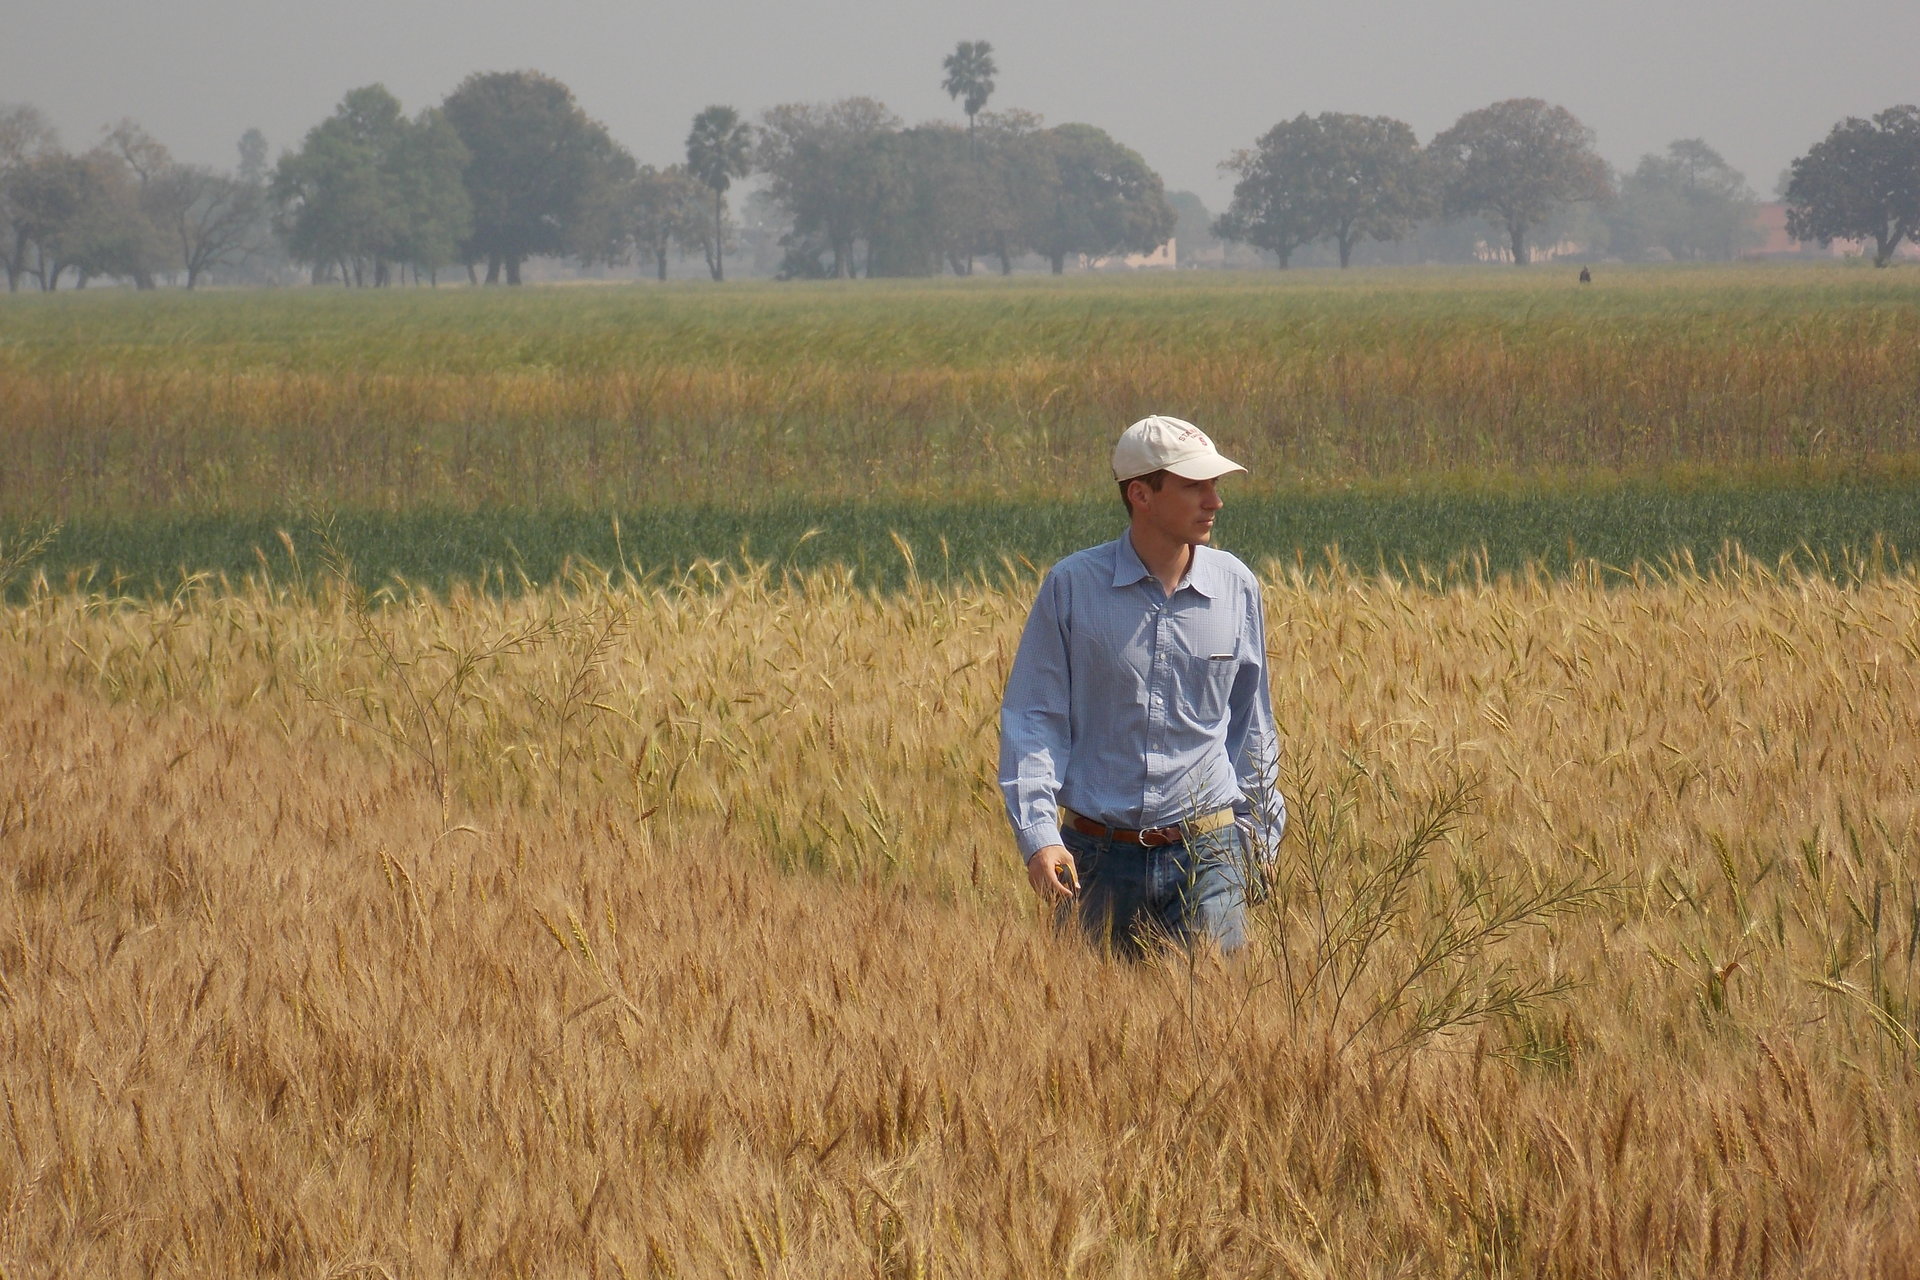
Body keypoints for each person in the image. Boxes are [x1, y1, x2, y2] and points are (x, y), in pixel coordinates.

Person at [998, 415, 1286, 957]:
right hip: (1094, 860)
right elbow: (1034, 718)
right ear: (1141, 494)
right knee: (1087, 1010)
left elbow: (1252, 724)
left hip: (1210, 852)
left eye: (1214, 484)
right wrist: (1038, 836)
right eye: (1195, 485)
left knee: (1213, 1008)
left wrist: (1262, 837)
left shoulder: (1236, 587)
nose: (1215, 501)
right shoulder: (1072, 587)